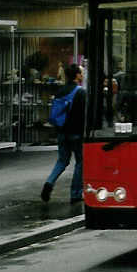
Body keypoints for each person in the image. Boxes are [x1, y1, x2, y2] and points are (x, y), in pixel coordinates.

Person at [41, 63, 86, 204]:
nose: (82, 74)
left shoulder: (60, 91)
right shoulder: (81, 92)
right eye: (81, 72)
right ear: (77, 75)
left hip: (61, 131)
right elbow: (84, 114)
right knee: (80, 162)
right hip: (77, 133)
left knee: (62, 160)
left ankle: (49, 182)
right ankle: (75, 193)